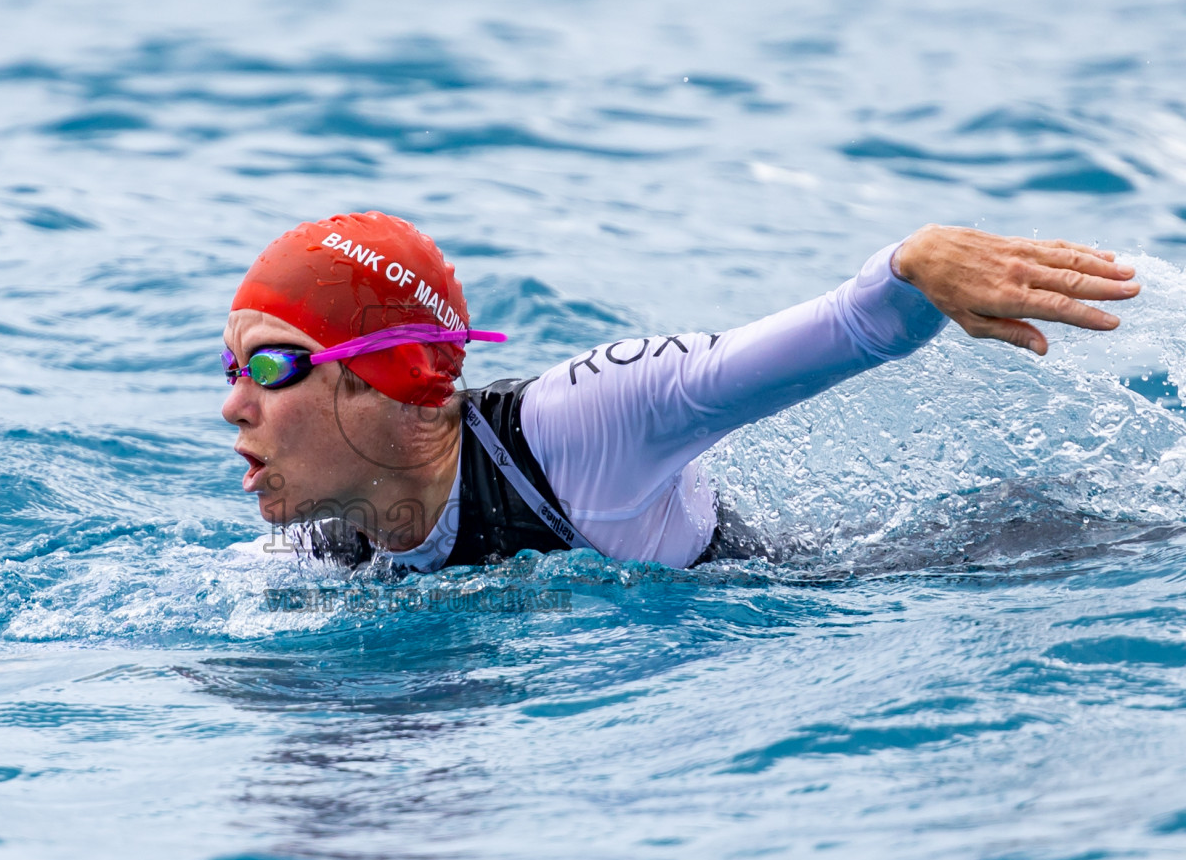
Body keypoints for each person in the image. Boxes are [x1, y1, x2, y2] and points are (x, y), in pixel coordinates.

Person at [221, 211, 1139, 571]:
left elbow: (851, 328)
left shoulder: (580, 426)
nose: (234, 404)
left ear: (380, 372)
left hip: (909, 590)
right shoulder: (320, 555)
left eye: (269, 365)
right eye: (231, 372)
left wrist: (912, 268)